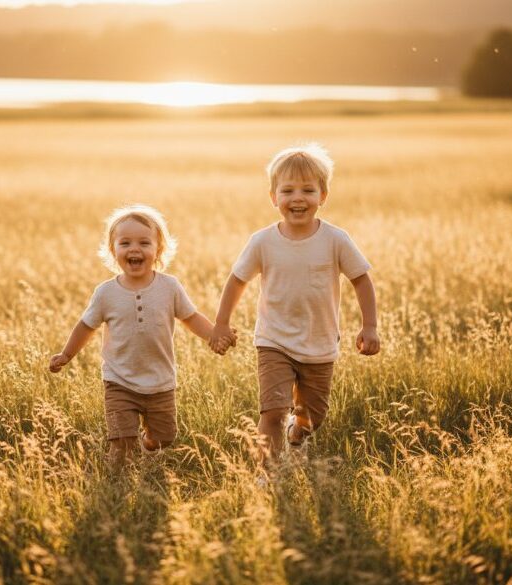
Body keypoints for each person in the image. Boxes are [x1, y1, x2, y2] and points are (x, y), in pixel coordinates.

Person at [209, 143, 379, 465]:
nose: (297, 198)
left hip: (320, 343)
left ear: (322, 196)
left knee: (313, 417)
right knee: (272, 411)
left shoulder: (336, 240)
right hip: (274, 340)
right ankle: (267, 474)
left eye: (307, 190)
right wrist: (221, 323)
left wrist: (369, 326)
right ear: (273, 197)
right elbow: (237, 280)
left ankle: (297, 433)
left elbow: (361, 279)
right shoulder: (262, 241)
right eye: (287, 190)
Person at [49, 204, 234, 467]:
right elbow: (85, 326)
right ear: (113, 251)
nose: (134, 249)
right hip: (119, 381)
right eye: (125, 243)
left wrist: (214, 335)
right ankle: (116, 482)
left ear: (158, 250)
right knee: (122, 442)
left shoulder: (169, 287)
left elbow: (190, 317)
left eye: (144, 243)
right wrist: (66, 354)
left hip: (160, 382)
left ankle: (148, 448)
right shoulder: (105, 293)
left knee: (163, 438)